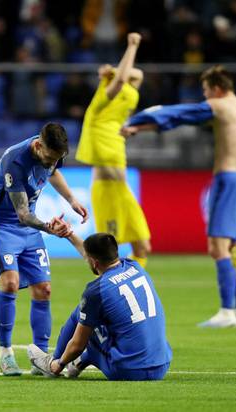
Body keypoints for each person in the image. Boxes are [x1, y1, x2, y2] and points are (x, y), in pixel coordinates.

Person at [121, 65, 236, 328]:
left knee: (218, 249)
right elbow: (185, 119)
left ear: (216, 90)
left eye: (206, 91)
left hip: (227, 181)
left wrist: (137, 121)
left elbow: (179, 114)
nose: (205, 97)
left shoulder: (219, 107)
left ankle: (226, 311)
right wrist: (145, 130)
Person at [0, 122, 89, 376]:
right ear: (38, 145)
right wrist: (49, 228)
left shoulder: (51, 153)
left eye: (57, 158)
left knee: (44, 289)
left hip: (29, 228)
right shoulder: (15, 161)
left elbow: (52, 172)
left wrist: (72, 200)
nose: (51, 162)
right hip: (2, 226)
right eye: (49, 157)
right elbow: (22, 214)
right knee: (10, 282)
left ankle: (40, 356)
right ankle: (5, 353)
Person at [27, 232, 172, 381]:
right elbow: (93, 256)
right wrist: (70, 235)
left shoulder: (95, 292)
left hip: (129, 371)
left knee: (83, 316)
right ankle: (79, 362)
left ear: (94, 262)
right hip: (162, 365)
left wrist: (60, 363)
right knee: (101, 316)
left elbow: (77, 344)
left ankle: (53, 364)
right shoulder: (134, 266)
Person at [75, 32, 152, 268]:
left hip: (120, 179)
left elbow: (136, 74)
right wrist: (132, 46)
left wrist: (113, 69)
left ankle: (130, 279)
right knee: (109, 251)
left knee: (143, 247)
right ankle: (112, 285)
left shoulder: (126, 93)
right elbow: (120, 81)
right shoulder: (102, 102)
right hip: (108, 187)